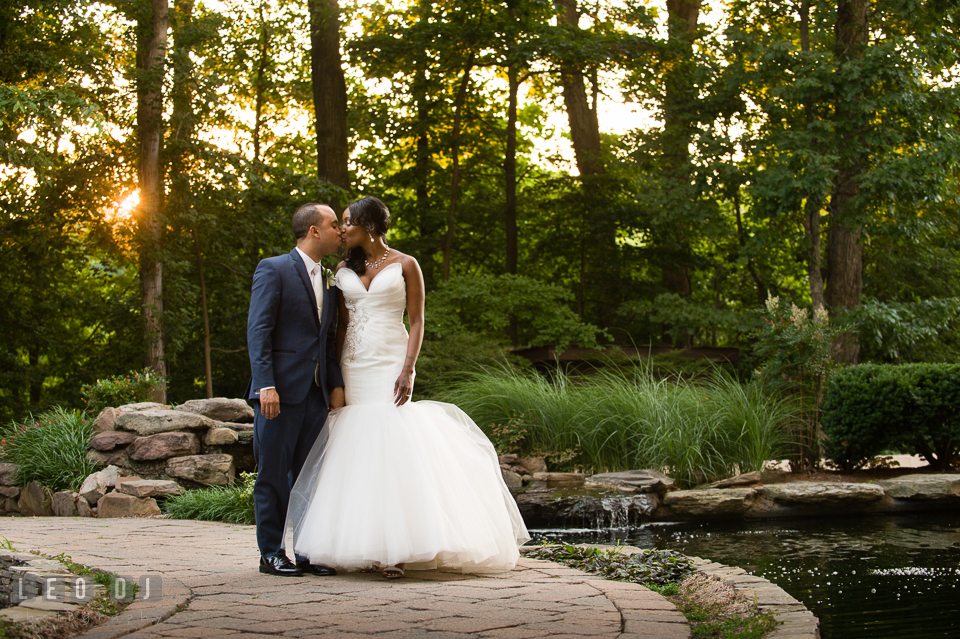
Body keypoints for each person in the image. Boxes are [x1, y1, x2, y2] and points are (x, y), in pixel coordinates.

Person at [287, 196, 530, 578]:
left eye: (348, 222)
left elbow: (416, 321)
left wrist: (408, 368)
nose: (342, 229)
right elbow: (342, 327)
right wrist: (335, 374)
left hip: (390, 361)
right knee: (357, 450)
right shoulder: (341, 268)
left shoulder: (406, 265)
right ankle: (363, 544)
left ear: (368, 225)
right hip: (355, 364)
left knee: (392, 444)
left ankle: (395, 552)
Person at [246, 203, 345, 577]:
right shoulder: (273, 268)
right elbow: (259, 331)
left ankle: (306, 551)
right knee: (272, 474)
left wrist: (334, 386)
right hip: (278, 394)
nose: (340, 230)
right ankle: (270, 553)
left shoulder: (330, 278)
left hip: (316, 395)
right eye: (334, 224)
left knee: (309, 477)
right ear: (314, 231)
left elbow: (327, 339)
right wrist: (265, 385)